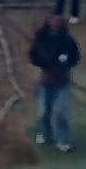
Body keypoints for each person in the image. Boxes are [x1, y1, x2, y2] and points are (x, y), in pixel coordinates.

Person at [29, 14, 81, 152]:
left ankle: (64, 140)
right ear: (49, 22)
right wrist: (44, 62)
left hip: (62, 82)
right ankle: (45, 135)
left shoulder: (68, 41)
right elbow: (33, 56)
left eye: (59, 22)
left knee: (61, 113)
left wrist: (64, 62)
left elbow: (75, 57)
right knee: (43, 112)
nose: (56, 24)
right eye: (53, 21)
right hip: (44, 80)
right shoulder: (41, 38)